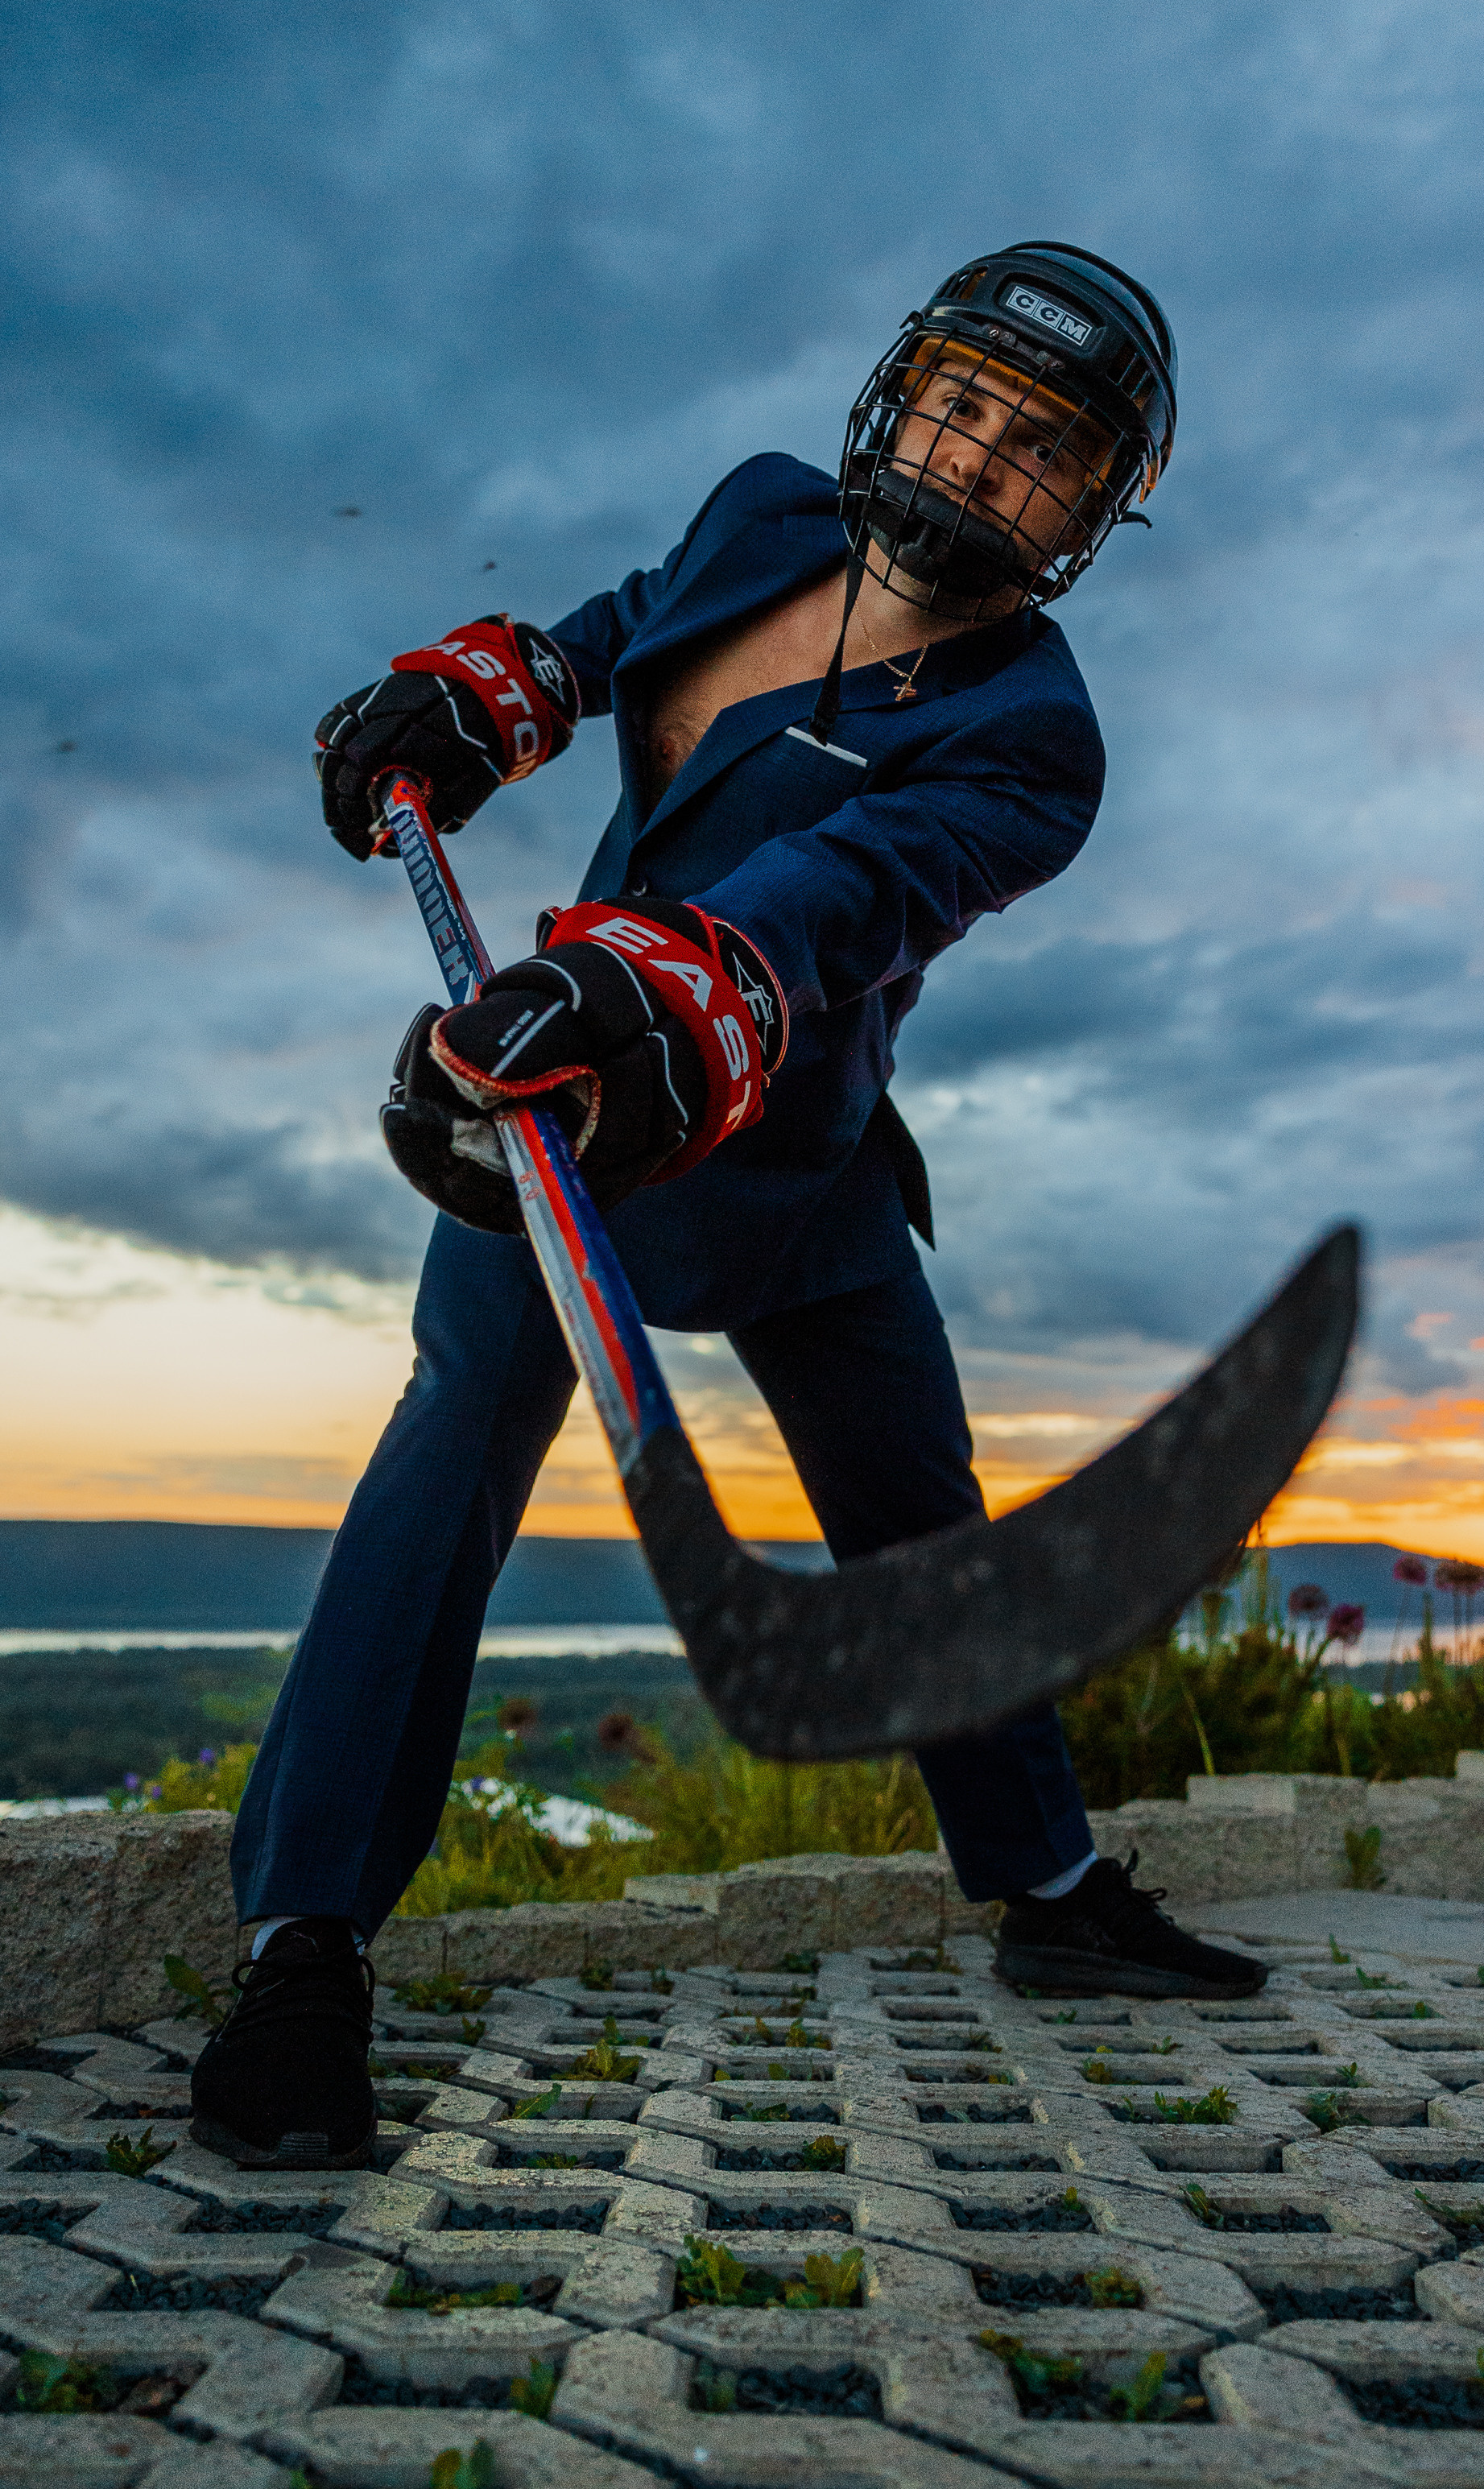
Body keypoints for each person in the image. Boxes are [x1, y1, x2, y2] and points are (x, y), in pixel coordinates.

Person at [190, 242, 1269, 2173]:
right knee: (439, 1475)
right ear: (897, 387)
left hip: (789, 1156)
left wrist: (658, 988)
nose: (980, 451)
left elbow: (848, 892)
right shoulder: (765, 506)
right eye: (960, 397)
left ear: (1093, 507)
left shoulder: (1037, 739)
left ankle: (1044, 1888)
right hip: (563, 1114)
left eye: (1041, 445)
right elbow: (621, 629)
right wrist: (481, 699)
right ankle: (302, 1957)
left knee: (918, 1527)